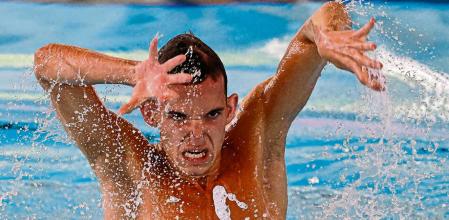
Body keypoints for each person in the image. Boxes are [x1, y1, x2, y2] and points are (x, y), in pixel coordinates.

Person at [33, 2, 383, 219]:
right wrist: (134, 73)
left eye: (212, 115)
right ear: (152, 114)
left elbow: (324, 15)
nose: (197, 134)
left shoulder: (258, 140)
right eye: (179, 117)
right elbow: (47, 64)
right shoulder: (128, 166)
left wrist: (326, 36)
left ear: (231, 109)